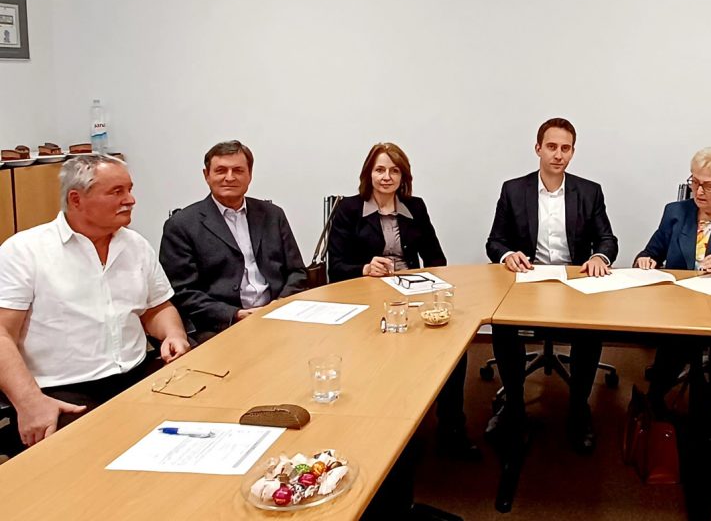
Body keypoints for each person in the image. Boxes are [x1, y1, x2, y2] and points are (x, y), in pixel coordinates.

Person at [0, 155, 189, 452]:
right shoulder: (24, 251)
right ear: (76, 199)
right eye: (117, 192)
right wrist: (29, 403)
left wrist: (173, 334)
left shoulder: (136, 245)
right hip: (61, 390)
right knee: (96, 457)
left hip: (136, 375)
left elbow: (157, 308)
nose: (131, 200)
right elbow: (2, 335)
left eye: (129, 189)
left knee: (196, 428)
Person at [328, 142, 479, 461]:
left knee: (453, 349)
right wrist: (365, 268)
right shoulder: (349, 209)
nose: (386, 177)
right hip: (367, 298)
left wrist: (427, 283)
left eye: (394, 170)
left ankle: (452, 428)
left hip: (413, 295)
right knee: (382, 359)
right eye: (380, 170)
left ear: (403, 176)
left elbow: (436, 258)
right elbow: (336, 267)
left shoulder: (415, 207)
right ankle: (384, 431)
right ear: (368, 174)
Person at [486, 118, 618, 454]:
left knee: (590, 331)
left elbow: (607, 239)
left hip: (574, 282)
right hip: (529, 280)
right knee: (503, 327)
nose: (558, 155)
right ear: (538, 149)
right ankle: (514, 405)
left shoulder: (589, 191)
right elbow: (495, 241)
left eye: (565, 148)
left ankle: (579, 408)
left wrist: (600, 256)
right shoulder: (514, 190)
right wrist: (508, 255)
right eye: (551, 147)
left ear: (572, 152)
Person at [160, 140, 306, 343]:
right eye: (221, 170)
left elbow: (297, 272)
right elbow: (183, 292)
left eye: (238, 170)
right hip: (221, 326)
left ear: (250, 175)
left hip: (278, 314)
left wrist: (279, 304)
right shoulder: (181, 225)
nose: (229, 177)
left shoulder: (273, 215)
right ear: (206, 175)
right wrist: (235, 314)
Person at [635, 147, 711, 413]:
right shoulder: (675, 212)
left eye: (708, 185)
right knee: (676, 343)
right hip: (682, 304)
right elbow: (650, 252)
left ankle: (709, 400)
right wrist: (646, 260)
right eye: (694, 182)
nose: (699, 191)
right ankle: (655, 401)